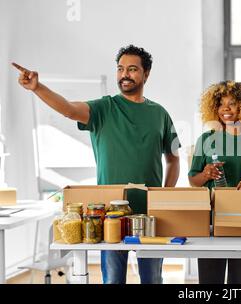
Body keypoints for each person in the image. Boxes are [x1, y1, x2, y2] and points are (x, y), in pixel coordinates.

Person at [13, 45, 181, 284]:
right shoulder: (104, 108)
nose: (124, 74)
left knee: (152, 279)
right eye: (120, 69)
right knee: (112, 280)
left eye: (132, 69)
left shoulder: (161, 114)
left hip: (150, 213)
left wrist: (165, 196)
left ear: (146, 74)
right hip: (110, 212)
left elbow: (173, 158)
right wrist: (37, 88)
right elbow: (69, 110)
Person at [188, 80, 241, 284]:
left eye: (233, 103)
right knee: (209, 282)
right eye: (220, 104)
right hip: (211, 218)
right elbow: (194, 180)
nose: (225, 109)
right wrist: (206, 174)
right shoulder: (206, 139)